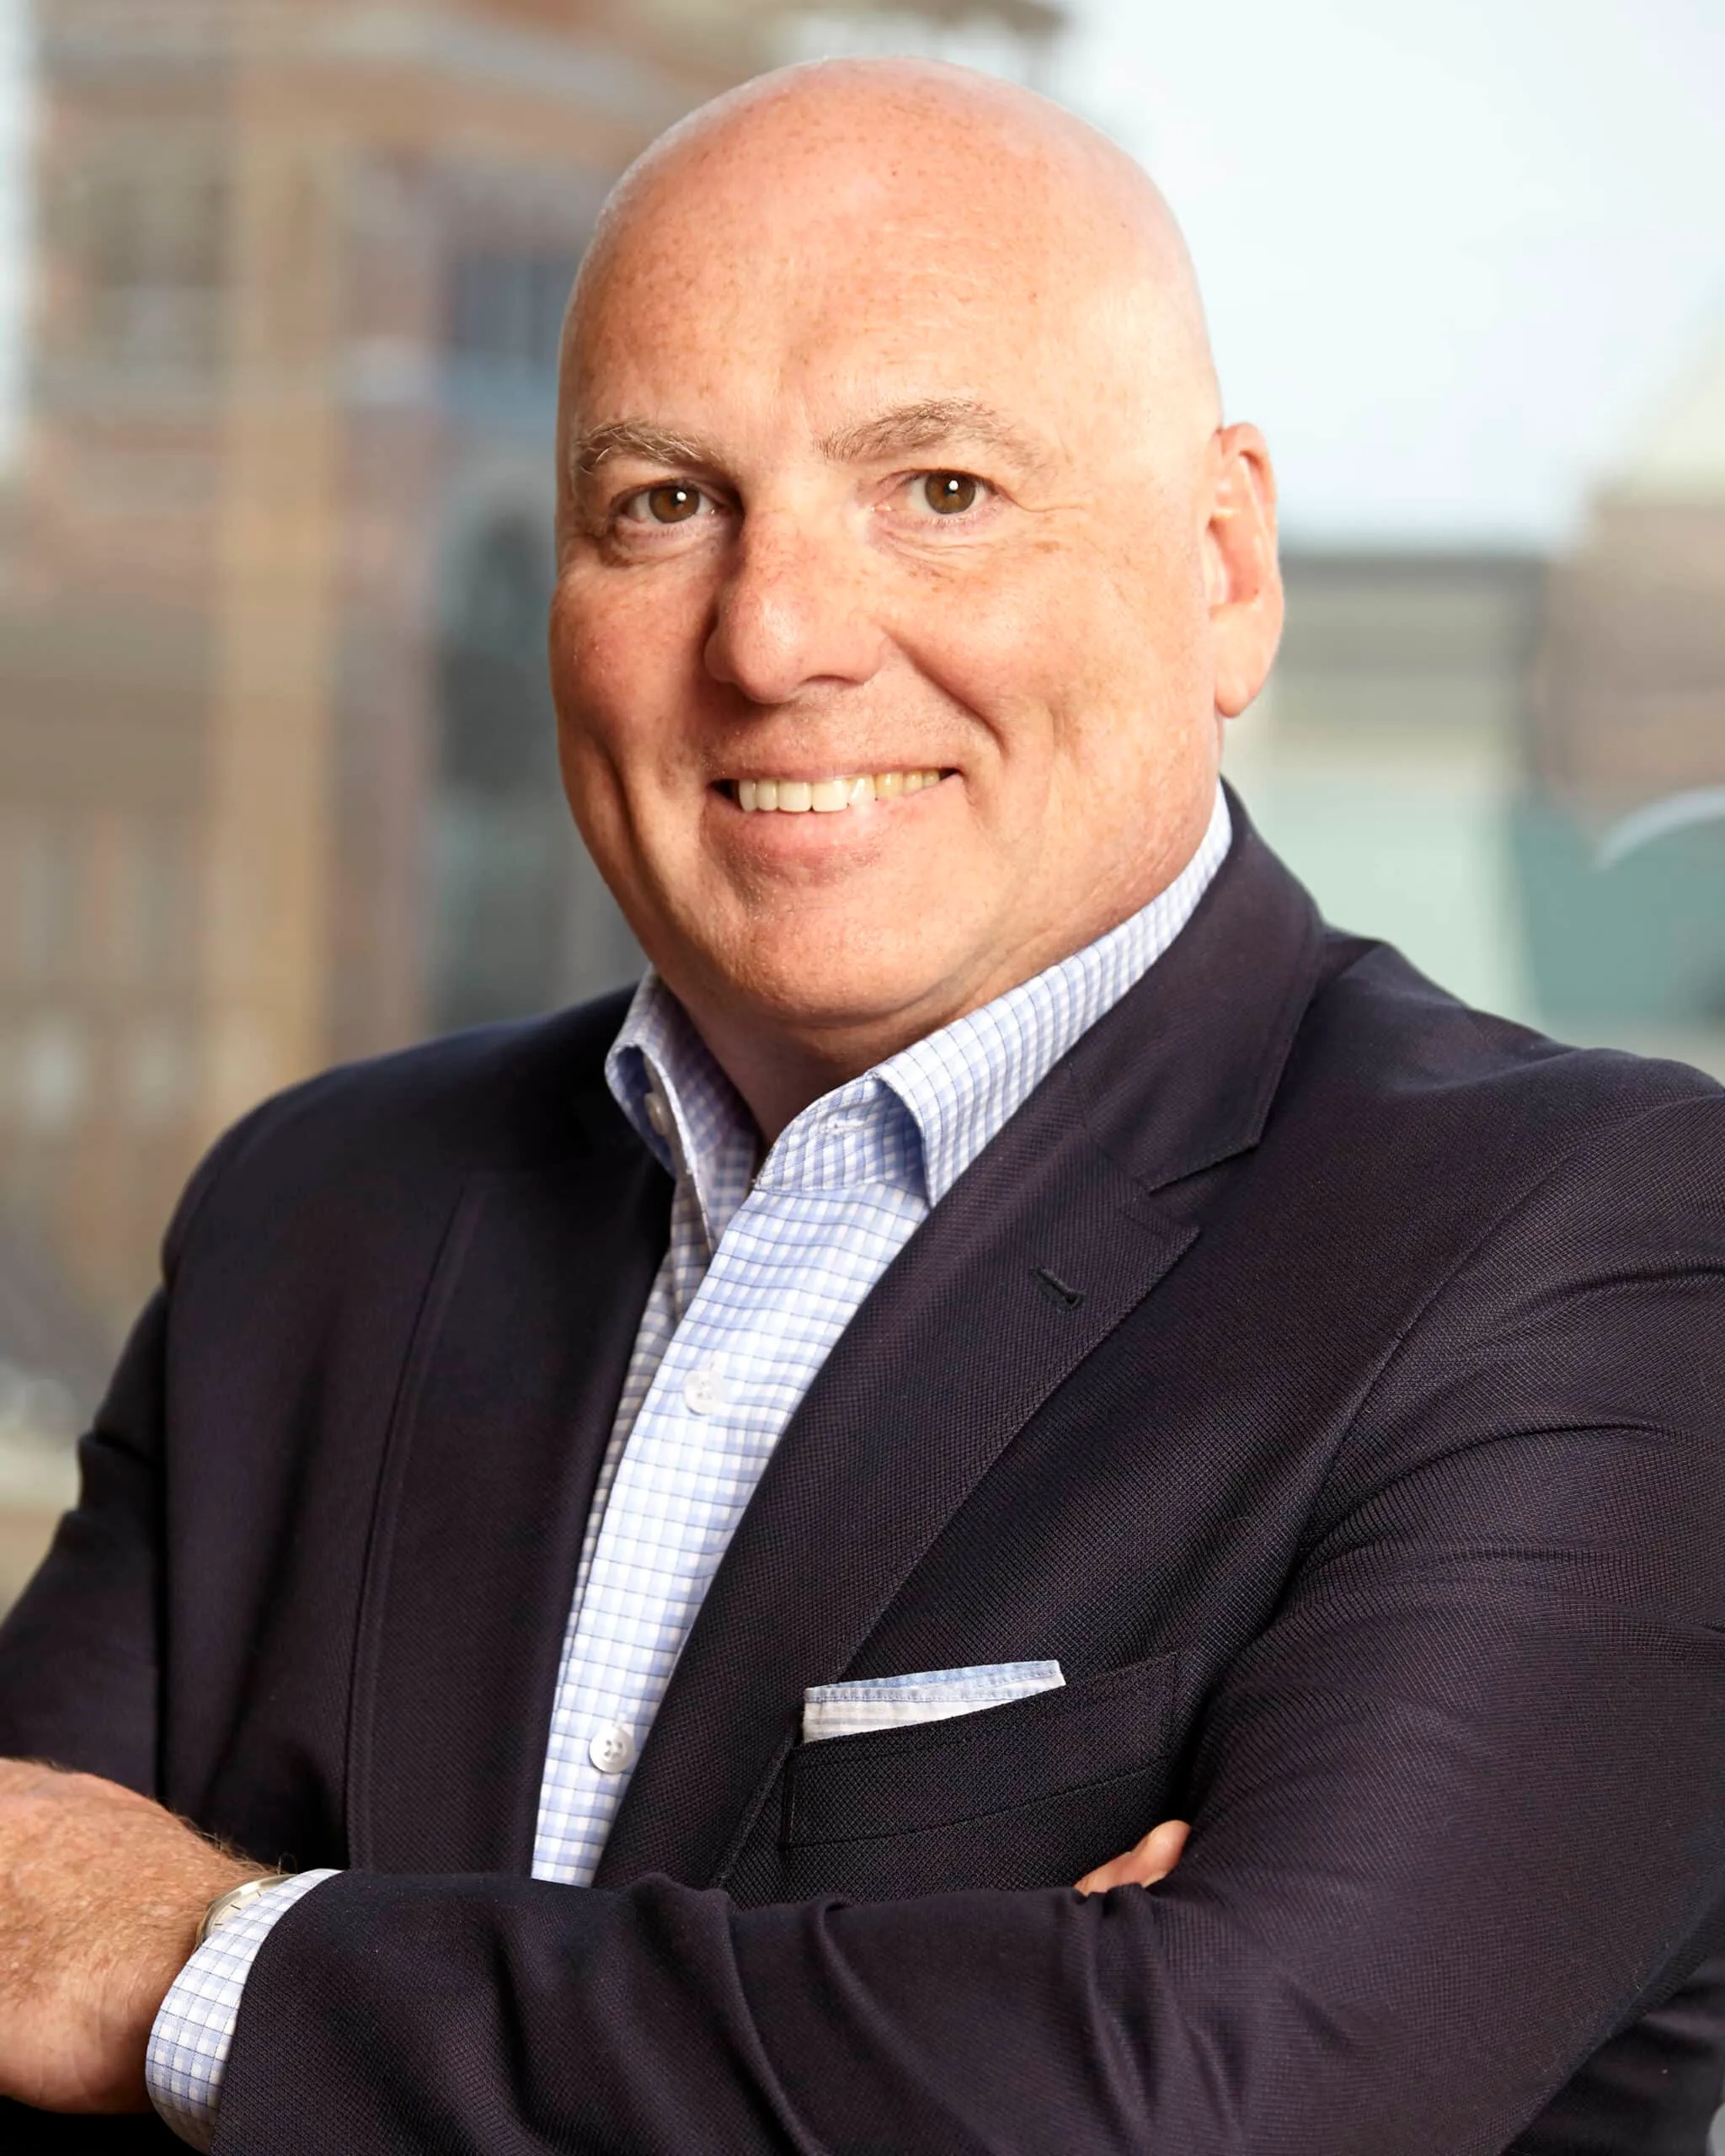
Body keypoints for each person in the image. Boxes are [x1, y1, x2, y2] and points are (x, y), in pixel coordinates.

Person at [3, 56, 1723, 2156]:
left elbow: (1199, 2108)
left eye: (939, 491)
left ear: (1223, 569)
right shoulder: (317, 1217)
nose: (779, 635)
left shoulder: (1597, 1245)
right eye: (664, 501)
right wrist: (937, 2025)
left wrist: (199, 1966)